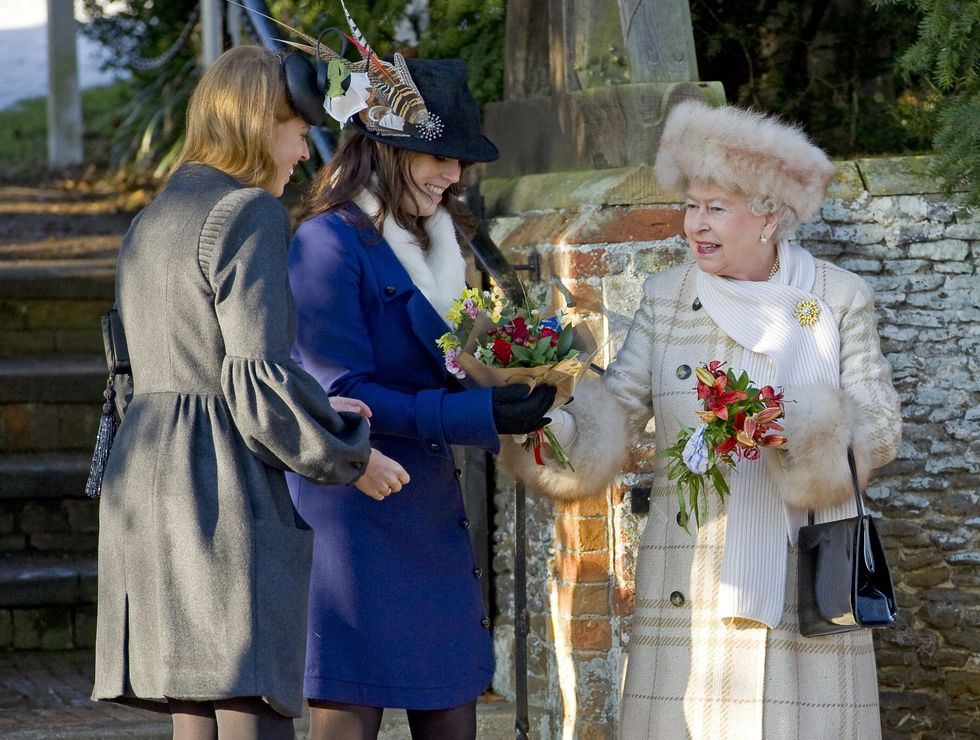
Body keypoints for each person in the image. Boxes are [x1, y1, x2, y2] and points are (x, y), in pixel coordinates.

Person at [505, 98, 902, 739]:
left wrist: (790, 423)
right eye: (691, 204)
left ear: (770, 214)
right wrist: (544, 423)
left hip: (803, 583)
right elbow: (618, 410)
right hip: (692, 581)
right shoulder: (668, 298)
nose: (694, 224)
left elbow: (881, 426)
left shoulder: (835, 298)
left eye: (716, 207)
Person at [91, 45, 409, 739]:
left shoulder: (153, 218)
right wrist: (351, 457)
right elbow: (253, 377)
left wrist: (323, 409)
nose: (303, 153)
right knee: (249, 709)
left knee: (197, 714)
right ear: (260, 122)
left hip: (145, 482)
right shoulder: (248, 214)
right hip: (217, 490)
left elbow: (184, 363)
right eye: (298, 132)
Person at [286, 54, 556, 739]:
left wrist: (522, 384)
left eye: (459, 160)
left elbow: (463, 360)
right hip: (356, 511)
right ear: (381, 146)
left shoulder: (444, 243)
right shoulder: (327, 242)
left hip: (432, 512)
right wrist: (478, 414)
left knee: (454, 716)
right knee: (348, 723)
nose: (454, 175)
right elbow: (339, 391)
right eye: (437, 156)